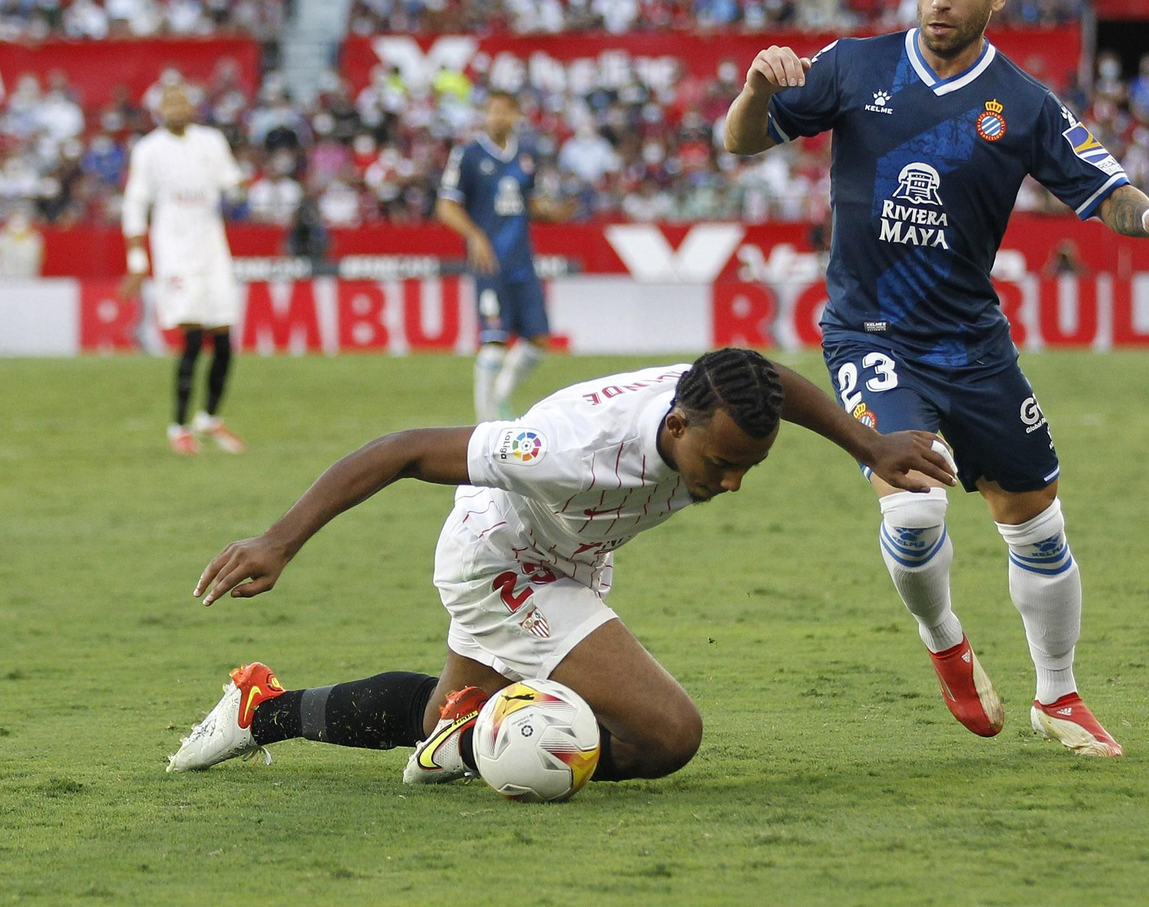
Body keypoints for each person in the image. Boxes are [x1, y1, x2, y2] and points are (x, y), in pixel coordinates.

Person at [724, 0, 1149, 757]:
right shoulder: (853, 65)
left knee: (1037, 523)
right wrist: (759, 88)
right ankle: (945, 641)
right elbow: (740, 141)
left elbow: (1105, 191)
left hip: (972, 346)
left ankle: (1059, 696)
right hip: (867, 335)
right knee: (912, 506)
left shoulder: (1021, 104)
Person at [167, 348, 956, 783]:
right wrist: (280, 539)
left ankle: (260, 711)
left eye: (749, 464)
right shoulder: (568, 451)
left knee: (438, 713)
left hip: (567, 556)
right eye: (720, 462)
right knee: (667, 734)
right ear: (677, 425)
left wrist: (869, 444)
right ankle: (477, 742)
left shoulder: (720, 396)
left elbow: (774, 382)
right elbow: (402, 451)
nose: (733, 482)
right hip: (503, 561)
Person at [120, 83, 248, 456]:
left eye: (184, 104)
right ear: (160, 112)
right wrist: (137, 261)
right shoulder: (148, 150)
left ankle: (209, 418)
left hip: (213, 250)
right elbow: (134, 204)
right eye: (170, 106)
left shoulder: (211, 141)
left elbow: (231, 184)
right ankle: (178, 426)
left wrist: (241, 189)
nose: (178, 111)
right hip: (175, 253)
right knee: (192, 338)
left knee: (224, 339)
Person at [436, 89, 572, 421]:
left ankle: (501, 394)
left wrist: (552, 213)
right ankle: (486, 424)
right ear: (484, 115)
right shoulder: (467, 155)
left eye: (503, 111)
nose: (496, 117)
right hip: (490, 263)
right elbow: (445, 207)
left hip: (521, 261)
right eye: (491, 111)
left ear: (515, 116)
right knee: (494, 343)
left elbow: (528, 203)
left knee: (539, 340)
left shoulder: (525, 155)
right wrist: (476, 236)